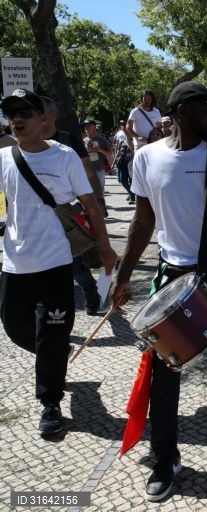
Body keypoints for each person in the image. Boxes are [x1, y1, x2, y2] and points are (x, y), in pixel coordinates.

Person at [110, 82, 207, 502]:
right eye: (206, 108)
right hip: (174, 274)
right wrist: (123, 277)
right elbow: (142, 222)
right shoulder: (146, 158)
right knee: (165, 370)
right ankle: (164, 458)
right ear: (179, 112)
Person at [0, 89, 117, 438]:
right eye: (12, 114)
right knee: (15, 328)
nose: (17, 119)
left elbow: (90, 203)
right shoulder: (4, 158)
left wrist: (106, 247)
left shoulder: (64, 157)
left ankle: (50, 403)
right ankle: (54, 351)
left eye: (25, 113)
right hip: (14, 263)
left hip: (55, 263)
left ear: (42, 119)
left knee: (51, 329)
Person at [40, 97, 107, 315]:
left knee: (73, 261)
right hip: (35, 218)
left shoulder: (69, 142)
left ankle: (89, 290)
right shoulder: (22, 145)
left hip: (65, 214)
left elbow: (88, 172)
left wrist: (98, 202)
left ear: (52, 115)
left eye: (40, 112)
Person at [126, 89, 162, 154]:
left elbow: (159, 127)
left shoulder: (156, 111)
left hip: (153, 144)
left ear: (152, 99)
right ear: (141, 99)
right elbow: (128, 127)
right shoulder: (135, 111)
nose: (147, 101)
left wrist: (156, 134)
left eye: (149, 99)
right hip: (139, 145)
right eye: (145, 99)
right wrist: (138, 137)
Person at [82, 118, 113, 193]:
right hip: (86, 170)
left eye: (89, 125)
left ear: (94, 127)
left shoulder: (102, 140)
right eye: (85, 126)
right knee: (88, 191)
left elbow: (110, 154)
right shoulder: (83, 141)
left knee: (99, 190)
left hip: (99, 169)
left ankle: (100, 204)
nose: (86, 127)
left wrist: (99, 150)